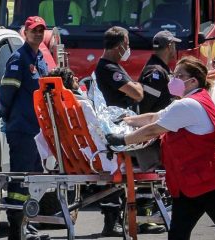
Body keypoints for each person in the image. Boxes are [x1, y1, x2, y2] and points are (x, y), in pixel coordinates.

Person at [106, 56, 215, 240]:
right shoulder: (188, 101)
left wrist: (123, 139)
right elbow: (153, 117)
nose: (173, 79)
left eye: (179, 75)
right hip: (194, 181)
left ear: (192, 81)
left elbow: (153, 129)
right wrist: (125, 120)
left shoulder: (188, 104)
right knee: (178, 234)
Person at [0, 16, 50, 240]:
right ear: (25, 33)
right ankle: (17, 230)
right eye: (33, 30)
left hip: (37, 131)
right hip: (22, 129)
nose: (37, 34)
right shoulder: (18, 58)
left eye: (41, 30)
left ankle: (27, 224)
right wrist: (6, 116)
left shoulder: (40, 59)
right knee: (21, 180)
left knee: (35, 177)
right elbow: (7, 92)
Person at [93, 26, 145, 237]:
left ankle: (119, 220)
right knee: (115, 174)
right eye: (128, 44)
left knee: (119, 175)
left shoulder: (111, 66)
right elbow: (137, 93)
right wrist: (136, 85)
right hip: (115, 127)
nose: (129, 48)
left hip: (118, 126)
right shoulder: (109, 68)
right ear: (120, 44)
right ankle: (112, 222)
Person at [135, 30, 180, 172]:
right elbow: (146, 106)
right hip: (153, 136)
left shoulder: (160, 70)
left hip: (158, 132)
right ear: (170, 46)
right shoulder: (156, 72)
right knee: (155, 172)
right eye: (174, 46)